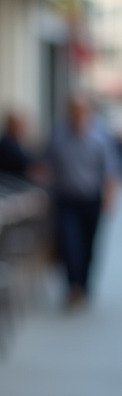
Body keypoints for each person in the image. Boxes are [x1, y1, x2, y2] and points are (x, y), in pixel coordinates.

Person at [41, 94, 119, 308]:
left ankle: (84, 284)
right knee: (69, 242)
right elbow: (47, 164)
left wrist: (109, 197)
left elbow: (110, 171)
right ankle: (73, 286)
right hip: (66, 199)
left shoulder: (100, 137)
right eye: (73, 110)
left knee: (88, 244)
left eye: (81, 110)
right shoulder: (58, 135)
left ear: (88, 112)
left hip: (91, 199)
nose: (77, 115)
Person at [0, 110, 34, 185]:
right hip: (7, 184)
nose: (20, 129)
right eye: (18, 125)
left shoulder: (14, 142)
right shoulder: (5, 144)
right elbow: (20, 161)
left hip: (14, 183)